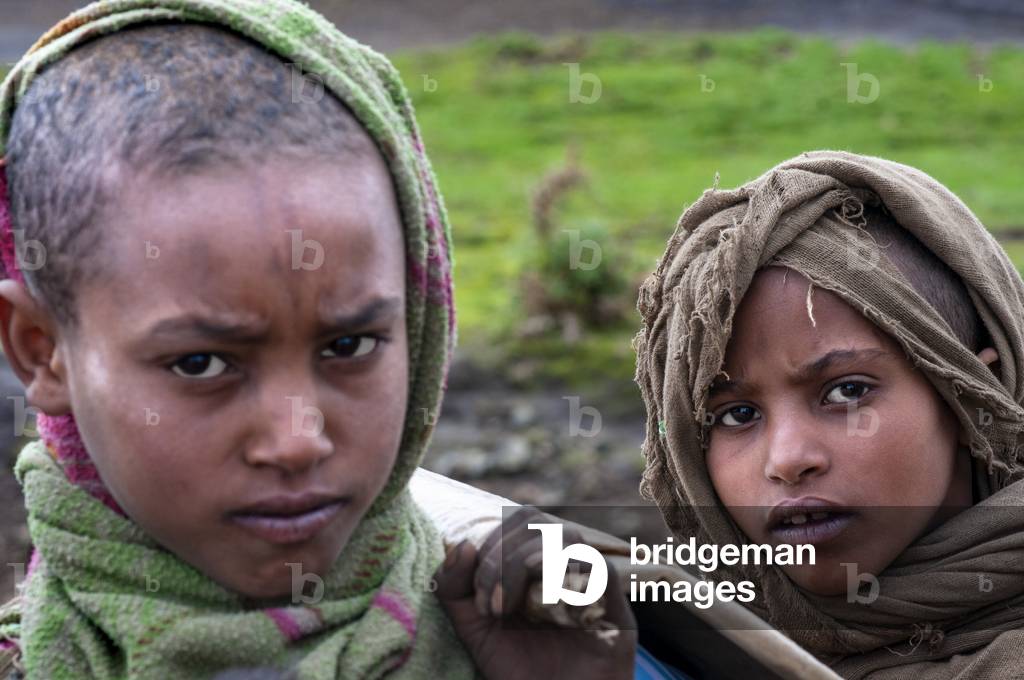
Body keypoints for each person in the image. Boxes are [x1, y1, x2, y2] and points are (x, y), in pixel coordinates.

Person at [0, 2, 636, 677]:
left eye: (350, 346)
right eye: (201, 363)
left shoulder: (539, 629)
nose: (298, 440)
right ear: (42, 349)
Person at [633, 151, 1024, 679]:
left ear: (973, 399)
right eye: (735, 414)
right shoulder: (661, 643)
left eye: (845, 392)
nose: (788, 460)